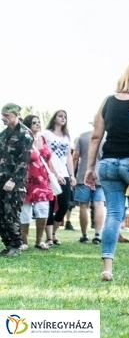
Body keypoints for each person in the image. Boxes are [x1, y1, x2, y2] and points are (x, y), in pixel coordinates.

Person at [85, 62, 129, 281]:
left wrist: (89, 168)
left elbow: (96, 136)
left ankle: (107, 269)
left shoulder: (108, 101)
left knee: (113, 215)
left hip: (108, 163)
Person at [0, 103, 33, 257]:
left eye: (6, 116)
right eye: (2, 115)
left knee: (11, 213)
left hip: (15, 183)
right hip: (1, 179)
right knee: (1, 214)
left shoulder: (25, 134)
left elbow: (24, 161)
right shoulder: (3, 134)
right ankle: (7, 245)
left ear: (16, 115)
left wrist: (13, 180)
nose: (3, 118)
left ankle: (16, 245)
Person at [21, 115, 55, 251]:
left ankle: (39, 240)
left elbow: (48, 160)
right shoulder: (23, 139)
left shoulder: (42, 138)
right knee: (25, 210)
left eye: (39, 122)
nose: (37, 124)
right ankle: (24, 241)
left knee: (42, 209)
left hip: (43, 180)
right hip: (26, 179)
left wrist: (57, 174)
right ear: (27, 125)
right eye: (34, 122)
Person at [42, 110, 75, 246]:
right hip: (48, 173)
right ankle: (49, 237)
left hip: (64, 173)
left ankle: (54, 232)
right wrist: (54, 174)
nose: (63, 119)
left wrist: (72, 175)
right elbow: (44, 154)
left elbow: (69, 157)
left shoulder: (67, 136)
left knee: (64, 204)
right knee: (49, 205)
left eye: (65, 117)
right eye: (60, 116)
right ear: (54, 118)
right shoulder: (46, 134)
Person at [73, 130, 105, 244]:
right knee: (99, 204)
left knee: (83, 205)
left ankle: (84, 235)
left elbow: (75, 156)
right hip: (101, 175)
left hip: (83, 175)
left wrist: (72, 174)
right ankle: (97, 234)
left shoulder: (82, 136)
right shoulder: (106, 136)